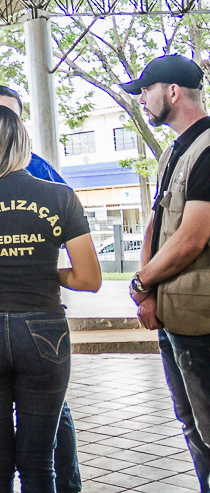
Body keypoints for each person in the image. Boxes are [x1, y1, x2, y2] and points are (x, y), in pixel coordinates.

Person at [0, 106, 101, 492]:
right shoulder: (61, 197)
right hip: (44, 329)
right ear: (23, 143)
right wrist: (39, 270)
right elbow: (88, 278)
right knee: (39, 462)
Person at [123, 55, 210, 492]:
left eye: (145, 89)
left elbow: (193, 237)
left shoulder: (209, 150)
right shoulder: (174, 152)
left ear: (172, 92)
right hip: (175, 316)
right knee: (193, 427)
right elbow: (157, 228)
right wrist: (148, 293)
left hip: (202, 321)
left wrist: (141, 282)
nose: (141, 98)